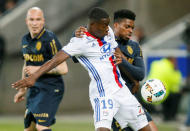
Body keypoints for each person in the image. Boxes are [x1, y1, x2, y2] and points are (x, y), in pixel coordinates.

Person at [12, 7, 151, 131]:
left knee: (146, 127)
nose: (107, 28)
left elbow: (117, 54)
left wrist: (134, 80)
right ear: (92, 25)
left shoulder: (107, 31)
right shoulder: (80, 42)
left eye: (107, 24)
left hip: (122, 91)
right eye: (103, 25)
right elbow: (55, 60)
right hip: (103, 95)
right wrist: (33, 77)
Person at [74, 9, 157, 131]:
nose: (130, 31)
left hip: (130, 101)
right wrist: (75, 34)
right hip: (112, 103)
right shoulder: (102, 42)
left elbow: (140, 74)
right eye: (127, 27)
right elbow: (76, 56)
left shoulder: (134, 46)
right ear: (116, 25)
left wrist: (122, 61)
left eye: (132, 28)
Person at [13, 7, 68, 131]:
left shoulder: (50, 39)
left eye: (38, 19)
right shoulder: (24, 40)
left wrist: (37, 70)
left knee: (41, 126)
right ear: (26, 21)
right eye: (31, 19)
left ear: (43, 21)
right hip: (34, 88)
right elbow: (26, 66)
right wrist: (22, 89)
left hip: (51, 88)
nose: (34, 23)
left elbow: (63, 68)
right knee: (29, 129)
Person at [147, 57, 182, 121]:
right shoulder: (169, 67)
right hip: (159, 94)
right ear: (171, 60)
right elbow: (176, 81)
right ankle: (169, 116)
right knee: (176, 95)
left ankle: (160, 112)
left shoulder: (156, 64)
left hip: (148, 92)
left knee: (169, 93)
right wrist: (176, 70)